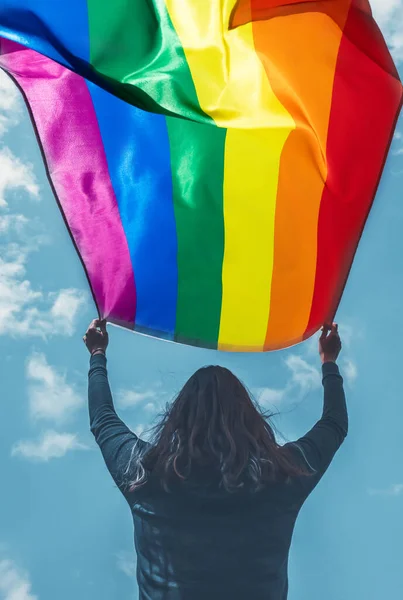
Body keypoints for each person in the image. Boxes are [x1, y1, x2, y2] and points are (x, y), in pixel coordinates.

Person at [83, 319, 347, 600]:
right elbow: (333, 425)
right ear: (248, 417)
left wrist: (97, 354)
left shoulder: (145, 473)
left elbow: (103, 420)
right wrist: (328, 361)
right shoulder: (283, 475)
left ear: (178, 418)